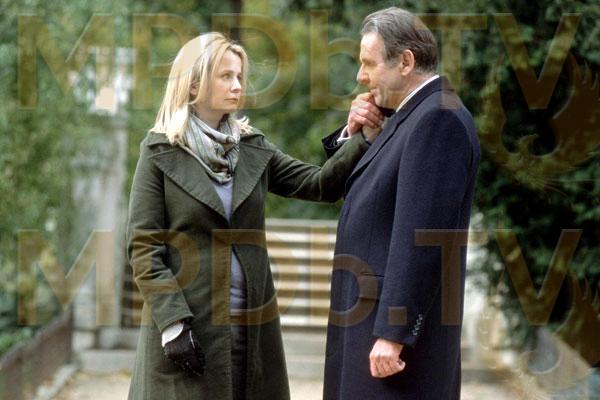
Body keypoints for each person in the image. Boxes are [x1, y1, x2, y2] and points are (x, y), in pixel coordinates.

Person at [126, 32, 376, 400]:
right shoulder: (159, 151)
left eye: (240, 76)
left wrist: (359, 136)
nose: (237, 85)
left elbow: (318, 185)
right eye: (226, 76)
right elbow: (144, 247)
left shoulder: (252, 146)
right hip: (187, 331)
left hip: (252, 329)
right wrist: (173, 324)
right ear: (194, 83)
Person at [321, 7, 480, 400]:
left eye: (368, 64)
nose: (360, 77)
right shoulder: (411, 116)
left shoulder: (438, 120)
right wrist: (359, 133)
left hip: (391, 346)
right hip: (369, 330)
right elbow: (355, 189)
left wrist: (394, 334)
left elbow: (423, 238)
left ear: (405, 62)